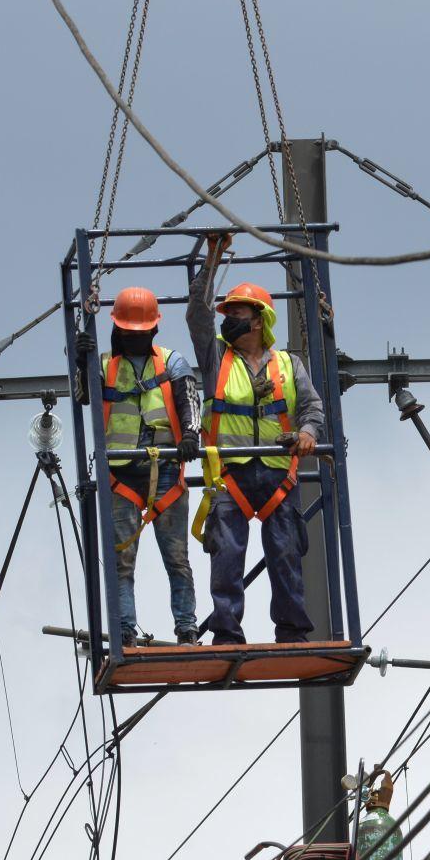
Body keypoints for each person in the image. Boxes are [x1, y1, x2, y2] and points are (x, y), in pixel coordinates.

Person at [186, 256, 327, 645]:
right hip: (230, 475)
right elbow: (198, 316)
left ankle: (293, 631)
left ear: (258, 318)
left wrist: (308, 432)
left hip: (279, 473)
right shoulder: (217, 358)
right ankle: (227, 632)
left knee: (285, 554)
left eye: (237, 311)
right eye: (227, 311)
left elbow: (312, 408)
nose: (228, 318)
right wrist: (212, 260)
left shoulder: (288, 365)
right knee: (227, 557)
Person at [100, 286, 202, 646]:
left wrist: (190, 435)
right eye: (129, 332)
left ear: (154, 330)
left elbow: (190, 399)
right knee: (121, 562)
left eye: (140, 332)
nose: (135, 337)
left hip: (166, 474)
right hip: (122, 475)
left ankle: (187, 627)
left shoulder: (172, 362)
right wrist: (79, 360)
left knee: (177, 558)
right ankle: (125, 629)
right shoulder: (105, 366)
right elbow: (84, 394)